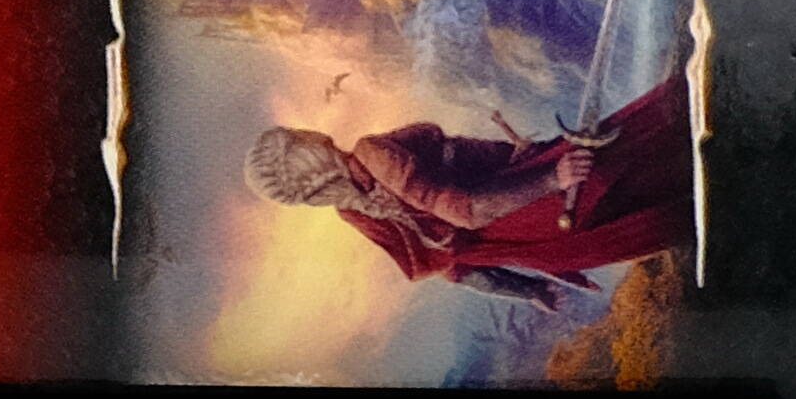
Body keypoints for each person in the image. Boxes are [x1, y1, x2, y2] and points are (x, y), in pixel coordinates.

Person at [245, 65, 695, 301]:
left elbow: (452, 267)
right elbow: (466, 211)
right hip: (527, 202)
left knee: (671, 202)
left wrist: (527, 288)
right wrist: (550, 177)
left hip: (526, 238)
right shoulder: (370, 154)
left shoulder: (352, 212)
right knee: (658, 145)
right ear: (304, 151)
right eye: (295, 138)